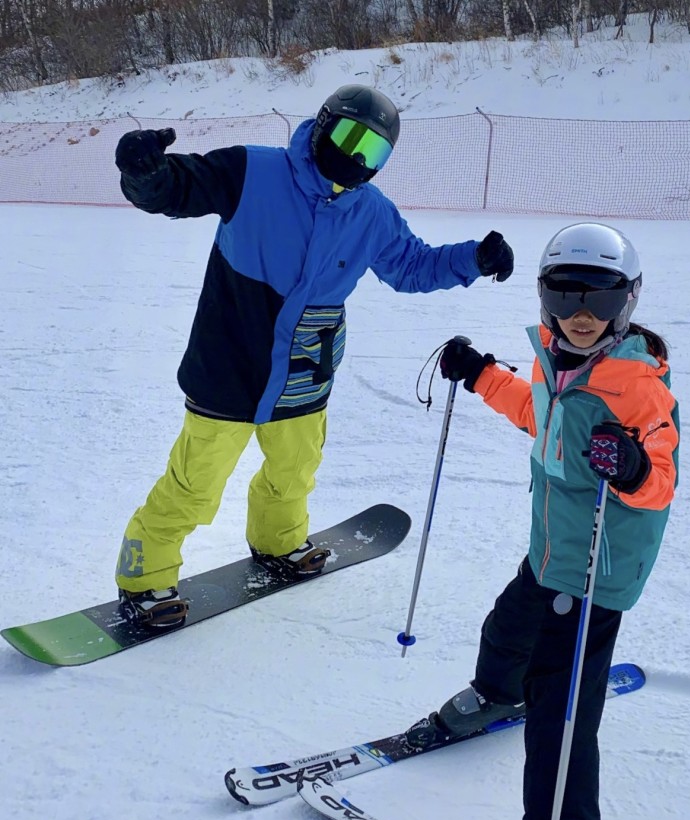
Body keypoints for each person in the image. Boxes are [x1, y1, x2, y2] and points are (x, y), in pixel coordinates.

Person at [111, 84, 514, 628]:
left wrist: (474, 259)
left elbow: (411, 266)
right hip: (229, 366)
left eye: (374, 152)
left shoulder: (371, 212)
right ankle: (144, 577)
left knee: (294, 471)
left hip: (305, 374)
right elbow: (176, 190)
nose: (356, 157)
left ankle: (278, 542)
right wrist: (146, 173)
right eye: (349, 137)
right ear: (323, 125)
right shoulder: (252, 172)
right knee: (195, 483)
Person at [406, 222, 679, 820]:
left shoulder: (637, 389)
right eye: (565, 293)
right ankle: (498, 691)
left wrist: (636, 465)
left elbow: (661, 480)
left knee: (560, 710)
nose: (580, 311)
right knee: (506, 630)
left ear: (627, 300)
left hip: (593, 570)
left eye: (598, 295)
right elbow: (536, 413)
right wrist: (479, 375)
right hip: (552, 553)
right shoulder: (557, 365)